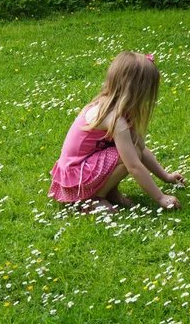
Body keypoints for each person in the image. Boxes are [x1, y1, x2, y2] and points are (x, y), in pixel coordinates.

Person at [49, 52, 183, 212]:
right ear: (136, 91)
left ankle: (108, 192)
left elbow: (140, 147)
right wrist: (161, 198)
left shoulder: (117, 110)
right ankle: (93, 198)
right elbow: (133, 165)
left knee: (131, 148)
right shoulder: (114, 119)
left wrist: (166, 176)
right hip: (75, 179)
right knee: (127, 155)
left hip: (80, 173)